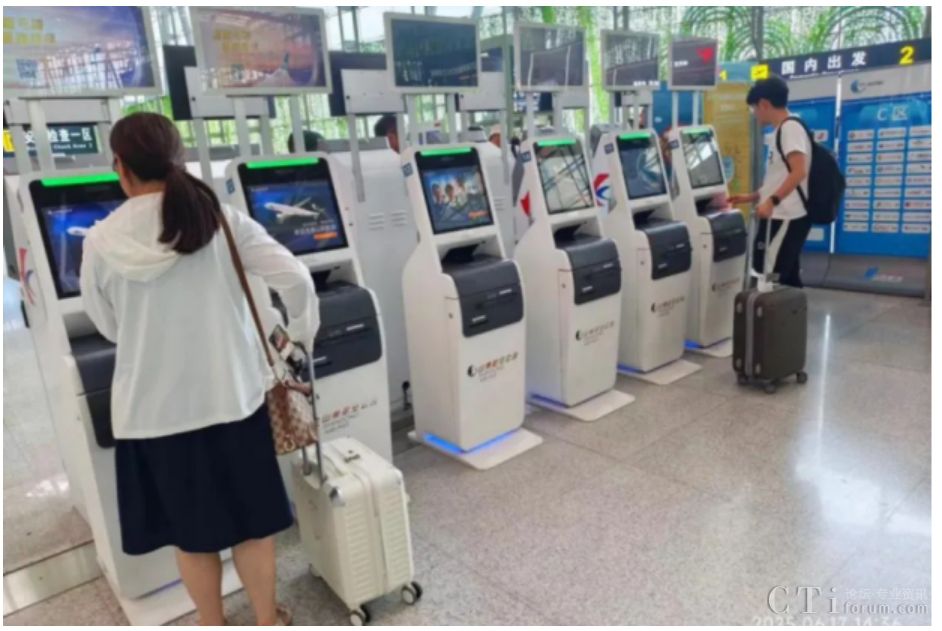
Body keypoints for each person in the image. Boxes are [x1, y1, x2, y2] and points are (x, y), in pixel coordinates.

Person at [80, 113, 318, 626]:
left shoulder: (99, 242)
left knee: (191, 538)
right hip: (232, 402)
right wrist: (300, 334)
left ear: (120, 166)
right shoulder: (220, 220)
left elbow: (108, 326)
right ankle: (266, 620)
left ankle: (212, 622)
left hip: (152, 417)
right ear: (178, 159)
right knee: (252, 528)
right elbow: (297, 278)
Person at [728, 75, 813, 287]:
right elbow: (781, 177)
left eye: (754, 108)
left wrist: (771, 202)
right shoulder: (783, 129)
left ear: (764, 104)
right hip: (781, 214)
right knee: (788, 277)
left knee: (769, 275)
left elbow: (799, 171)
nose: (754, 114)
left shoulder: (790, 128)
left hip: (785, 215)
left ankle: (768, 308)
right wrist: (752, 197)